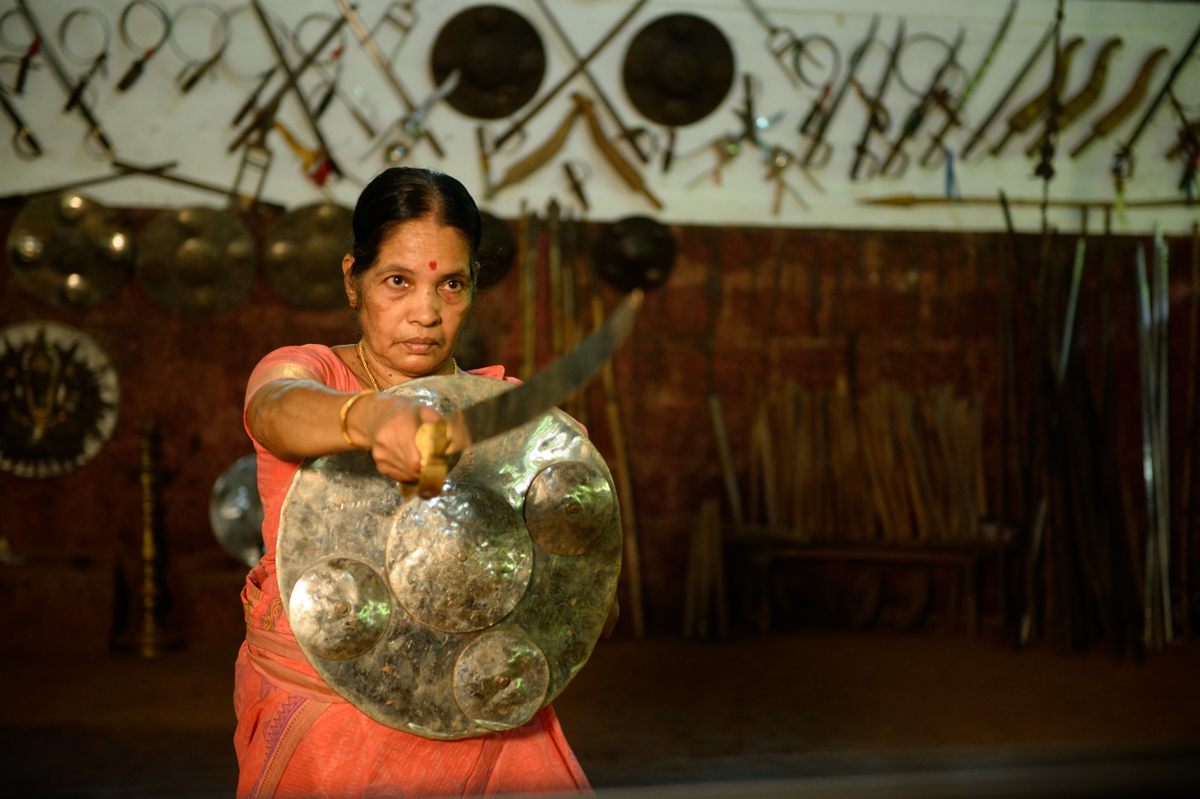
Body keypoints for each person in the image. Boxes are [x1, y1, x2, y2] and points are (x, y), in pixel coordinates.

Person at [233, 167, 592, 798]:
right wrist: (367, 416)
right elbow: (274, 408)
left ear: (474, 286)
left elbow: (580, 607)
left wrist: (573, 521)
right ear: (354, 279)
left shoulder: (509, 418)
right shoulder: (310, 372)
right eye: (398, 281)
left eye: (449, 284)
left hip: (479, 714)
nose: (425, 313)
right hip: (329, 724)